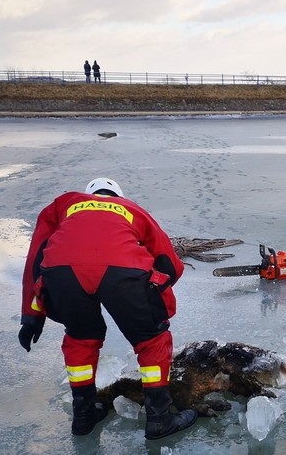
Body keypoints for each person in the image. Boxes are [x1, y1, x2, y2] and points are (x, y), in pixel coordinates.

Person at [18, 177, 196, 439]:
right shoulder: (133, 209)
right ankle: (160, 419)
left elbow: (35, 258)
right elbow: (169, 262)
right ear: (118, 196)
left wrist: (31, 315)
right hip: (123, 270)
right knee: (151, 339)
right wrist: (153, 293)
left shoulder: (63, 204)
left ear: (88, 194)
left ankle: (84, 416)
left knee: (81, 338)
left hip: (62, 272)